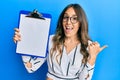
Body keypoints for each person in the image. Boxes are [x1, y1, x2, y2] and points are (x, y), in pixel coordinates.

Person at [13, 3, 107, 80]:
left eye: (74, 18)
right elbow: (31, 68)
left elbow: (84, 79)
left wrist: (92, 57)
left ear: (81, 23)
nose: (68, 22)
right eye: (65, 17)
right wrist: (23, 43)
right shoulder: (50, 40)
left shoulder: (88, 46)